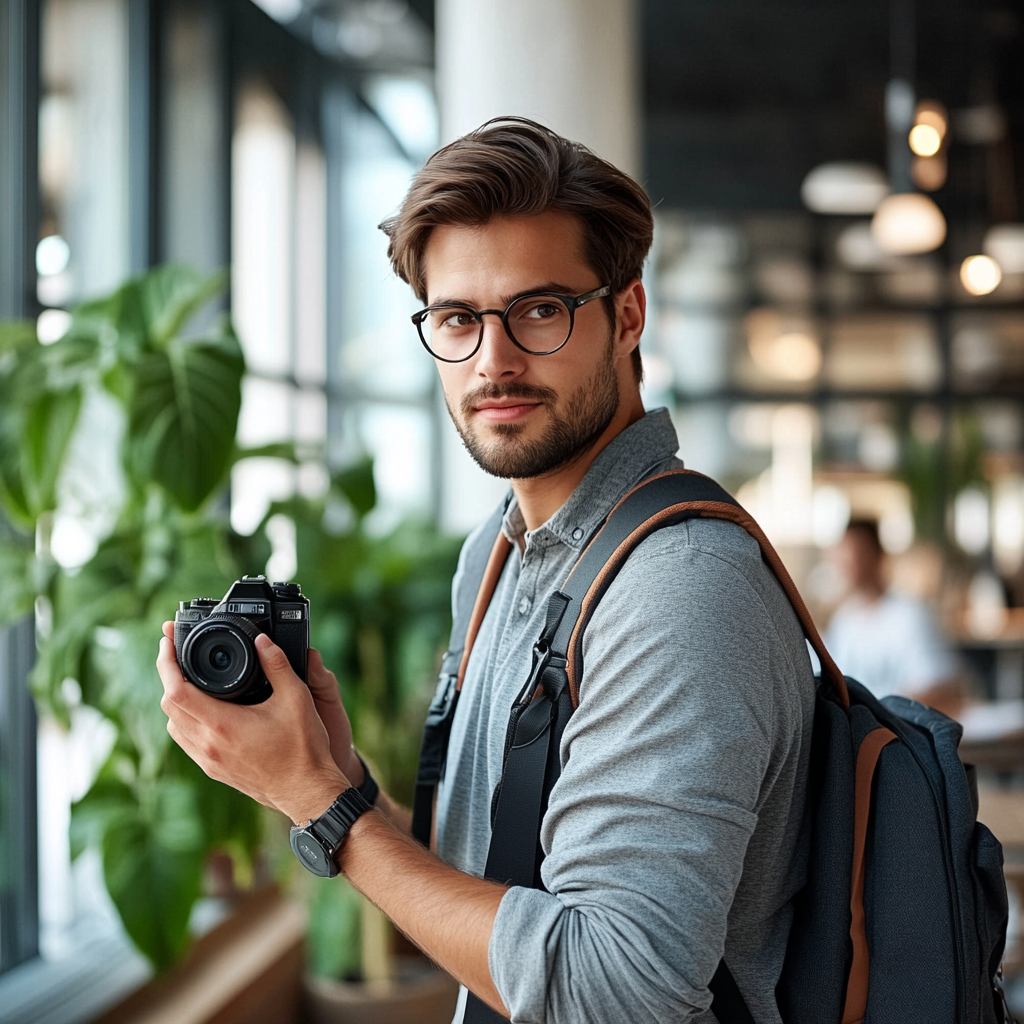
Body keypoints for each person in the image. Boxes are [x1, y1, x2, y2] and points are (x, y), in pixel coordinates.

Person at [157, 117, 816, 1023]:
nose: (493, 361)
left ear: (627, 316)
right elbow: (480, 885)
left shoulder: (680, 588)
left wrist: (320, 807)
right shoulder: (496, 556)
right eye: (458, 319)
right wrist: (330, 775)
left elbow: (613, 990)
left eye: (539, 310)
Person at [825, 519, 960, 715]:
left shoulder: (909, 615)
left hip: (900, 735)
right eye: (843, 558)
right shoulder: (843, 621)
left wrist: (879, 713)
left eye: (857, 556)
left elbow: (941, 687)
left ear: (879, 557)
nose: (849, 566)